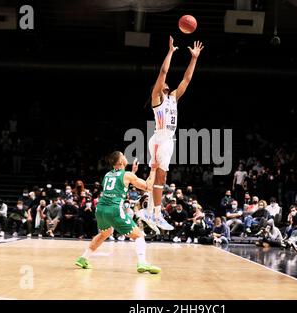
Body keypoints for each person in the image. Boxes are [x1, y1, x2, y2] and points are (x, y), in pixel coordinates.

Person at [143, 36, 204, 232]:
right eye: (164, 85)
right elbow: (163, 71)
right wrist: (170, 52)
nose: (167, 86)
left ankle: (151, 213)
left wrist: (194, 58)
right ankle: (155, 214)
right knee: (158, 176)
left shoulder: (173, 98)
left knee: (161, 178)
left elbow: (186, 79)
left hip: (168, 139)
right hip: (160, 139)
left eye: (168, 86)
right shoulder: (156, 99)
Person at [75, 151, 161, 274]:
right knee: (139, 236)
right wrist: (153, 169)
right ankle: (142, 262)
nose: (126, 158)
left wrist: (133, 174)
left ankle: (83, 258)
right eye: (124, 156)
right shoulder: (127, 175)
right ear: (121, 161)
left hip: (100, 209)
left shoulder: (107, 175)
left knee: (105, 233)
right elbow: (148, 186)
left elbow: (119, 184)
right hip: (114, 209)